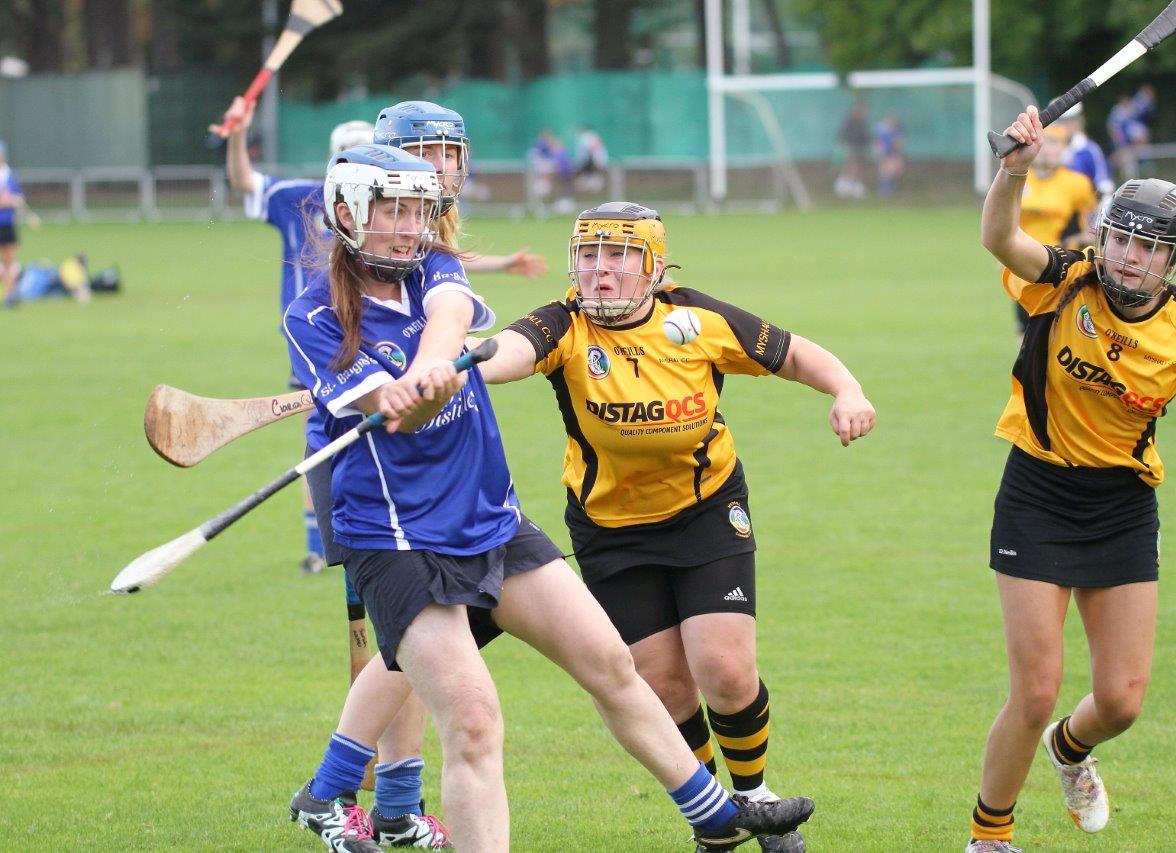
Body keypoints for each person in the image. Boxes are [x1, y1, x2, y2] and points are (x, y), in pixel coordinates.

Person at [285, 148, 815, 853]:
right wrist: (412, 394)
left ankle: (718, 816)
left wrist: (434, 363)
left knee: (611, 664)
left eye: (420, 210)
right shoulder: (314, 314)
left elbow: (449, 312)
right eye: (395, 211)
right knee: (473, 720)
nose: (412, 227)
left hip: (489, 520)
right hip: (397, 539)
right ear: (348, 213)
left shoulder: (433, 270)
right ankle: (336, 792)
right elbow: (400, 413)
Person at [471, 201, 876, 853]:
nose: (601, 270)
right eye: (590, 255)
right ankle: (714, 815)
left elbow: (798, 355)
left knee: (726, 669)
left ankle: (753, 794)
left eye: (620, 255)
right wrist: (457, 361)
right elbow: (510, 351)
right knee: (662, 682)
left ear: (655, 266)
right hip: (611, 528)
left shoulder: (698, 319)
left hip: (707, 508)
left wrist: (847, 390)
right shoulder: (565, 325)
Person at [965, 106, 1176, 853]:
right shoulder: (1066, 280)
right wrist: (1015, 168)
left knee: (1122, 699)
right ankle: (990, 836)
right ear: (1102, 236)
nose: (1131, 256)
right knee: (1035, 688)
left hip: (1122, 507)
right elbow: (999, 239)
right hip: (1037, 493)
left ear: (1175, 259)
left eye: (1150, 247)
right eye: (1121, 237)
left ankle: (1070, 750)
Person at [212, 96, 545, 576]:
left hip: (441, 458)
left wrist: (430, 368)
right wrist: (239, 132)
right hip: (334, 345)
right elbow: (244, 181)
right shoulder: (299, 213)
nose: (440, 167)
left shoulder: (422, 247)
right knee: (328, 440)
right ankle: (315, 543)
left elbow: (450, 301)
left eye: (449, 156)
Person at [1011, 123, 1098, 336]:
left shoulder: (1078, 184)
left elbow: (1092, 228)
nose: (1047, 148)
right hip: (1023, 266)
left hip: (1062, 266)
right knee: (1026, 329)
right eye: (1044, 141)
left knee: (1063, 330)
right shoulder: (1017, 178)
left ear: (1064, 149)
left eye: (1054, 142)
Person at [1058, 103, 1115, 197]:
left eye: (1072, 120)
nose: (1068, 124)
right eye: (1063, 121)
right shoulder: (1046, 151)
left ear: (1081, 120)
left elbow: (1104, 184)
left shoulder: (1090, 150)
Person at [0, 140, 25, 308]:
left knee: (10, 260)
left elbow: (19, 199)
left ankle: (10, 294)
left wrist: (11, 201)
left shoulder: (10, 176)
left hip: (8, 224)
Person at [834, 102, 869, 199]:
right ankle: (844, 187)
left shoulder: (862, 122)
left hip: (860, 148)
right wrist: (845, 146)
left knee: (858, 167)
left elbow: (865, 136)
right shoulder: (848, 121)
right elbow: (842, 134)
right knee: (851, 166)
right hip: (851, 147)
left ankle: (855, 187)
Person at [873, 115, 904, 198]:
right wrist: (880, 152)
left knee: (893, 171)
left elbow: (898, 144)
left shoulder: (896, 132)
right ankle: (885, 190)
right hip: (885, 154)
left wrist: (896, 150)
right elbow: (877, 143)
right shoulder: (882, 130)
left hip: (892, 153)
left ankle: (887, 189)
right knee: (885, 171)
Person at [573, 124, 609, 194]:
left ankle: (593, 186)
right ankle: (590, 186)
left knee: (594, 174)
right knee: (591, 174)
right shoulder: (591, 136)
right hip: (592, 160)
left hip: (592, 160)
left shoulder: (586, 137)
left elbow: (589, 149)